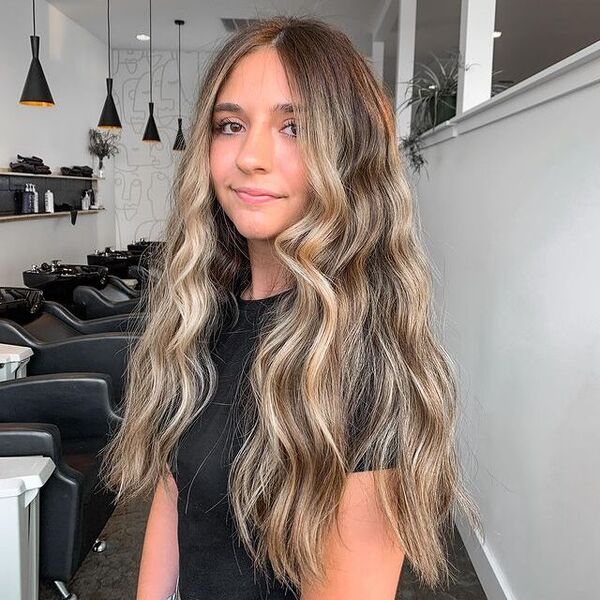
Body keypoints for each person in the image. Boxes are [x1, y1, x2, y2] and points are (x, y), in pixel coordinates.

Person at [102, 16, 481, 600]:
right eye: (230, 125)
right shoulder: (206, 314)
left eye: (295, 127)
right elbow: (178, 489)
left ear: (348, 151)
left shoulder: (368, 369)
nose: (251, 156)